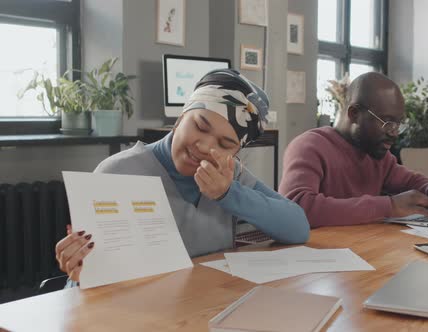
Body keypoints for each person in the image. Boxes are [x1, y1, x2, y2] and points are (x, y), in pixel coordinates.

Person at [55, 69, 310, 282]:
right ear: (181, 117)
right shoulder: (117, 173)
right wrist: (78, 270)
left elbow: (298, 227)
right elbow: (86, 280)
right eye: (200, 125)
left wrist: (228, 194)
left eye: (224, 144)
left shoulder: (228, 177)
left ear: (235, 153)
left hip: (204, 309)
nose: (204, 147)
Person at [279, 72, 428, 228]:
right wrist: (389, 206)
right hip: (316, 257)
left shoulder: (377, 155)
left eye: (398, 124)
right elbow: (296, 208)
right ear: (354, 114)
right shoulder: (309, 147)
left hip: (361, 248)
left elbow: (409, 180)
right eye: (387, 123)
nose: (394, 133)